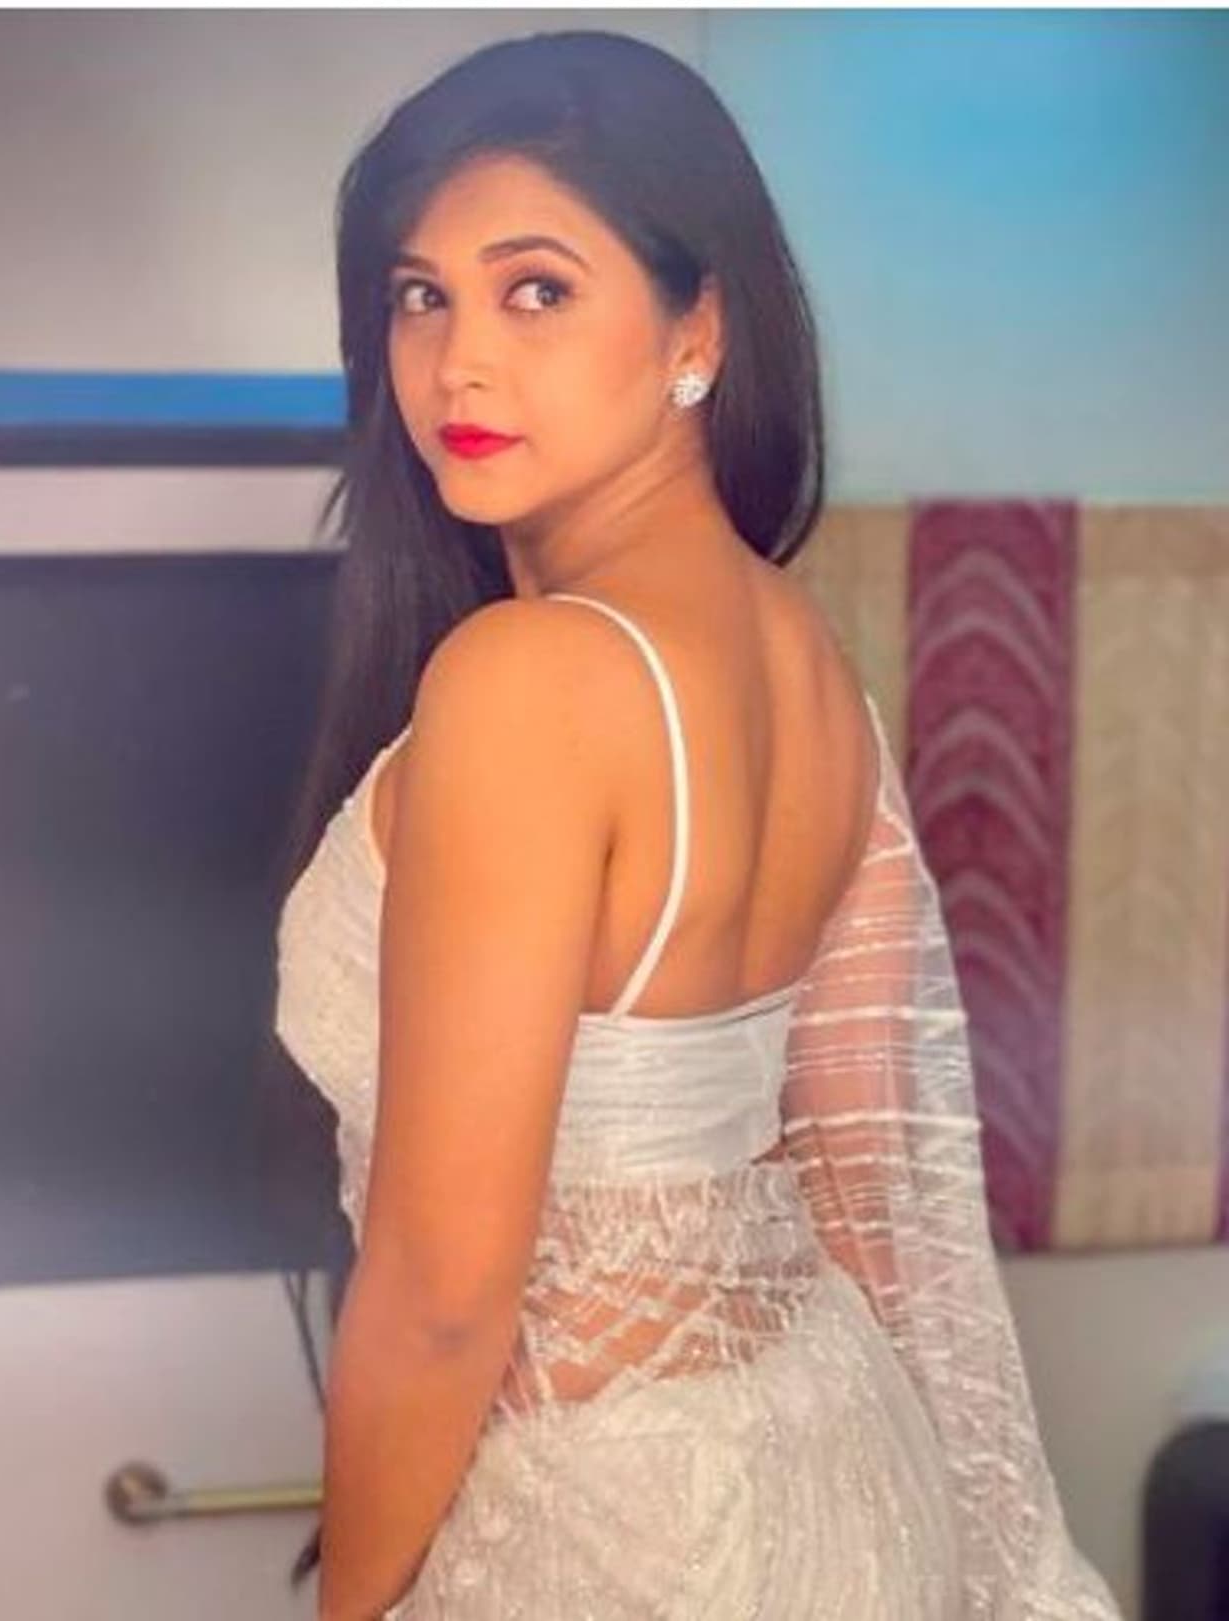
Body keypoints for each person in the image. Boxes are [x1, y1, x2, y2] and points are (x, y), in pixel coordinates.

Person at [273, 29, 1123, 1620]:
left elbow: (446, 1293)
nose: (458, 364)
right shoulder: (804, 659)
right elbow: (846, 1150)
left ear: (699, 327)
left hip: (617, 1528)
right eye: (420, 295)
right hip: (837, 1459)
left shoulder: (530, 679)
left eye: (536, 289)